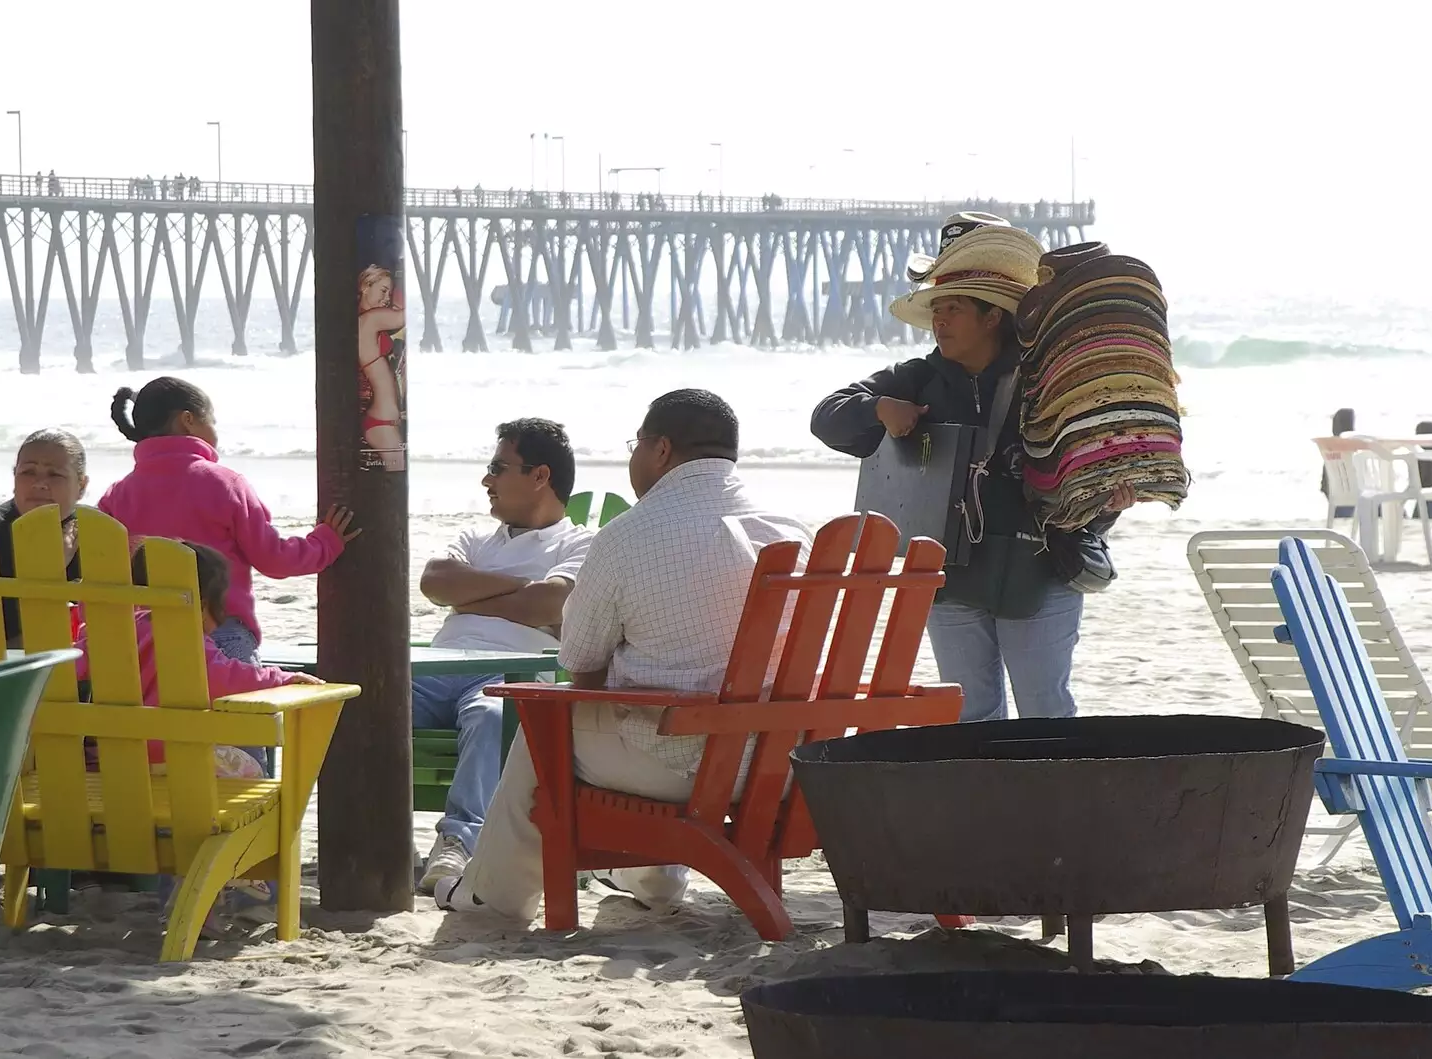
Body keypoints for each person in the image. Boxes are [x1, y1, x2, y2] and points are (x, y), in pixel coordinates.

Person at [435, 389, 812, 918]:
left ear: (659, 450)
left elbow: (580, 661)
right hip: (778, 760)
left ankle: (494, 897)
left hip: (674, 761)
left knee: (544, 724)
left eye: (636, 444)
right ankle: (648, 873)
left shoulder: (627, 537)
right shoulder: (793, 531)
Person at [810, 213, 1131, 723]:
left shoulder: (1048, 378)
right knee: (970, 716)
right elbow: (826, 418)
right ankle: (991, 805)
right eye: (936, 308)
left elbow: (1098, 457)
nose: (939, 321)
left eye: (953, 309)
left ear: (993, 316)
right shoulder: (917, 377)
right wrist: (877, 410)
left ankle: (1055, 803)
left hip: (1041, 571)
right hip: (951, 577)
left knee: (1046, 714)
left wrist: (1109, 501)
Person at [415, 418, 594, 893]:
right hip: (437, 667)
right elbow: (435, 582)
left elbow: (551, 604)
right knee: (359, 702)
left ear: (540, 475)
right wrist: (526, 589)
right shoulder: (476, 539)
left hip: (511, 675)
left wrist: (470, 595)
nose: (486, 480)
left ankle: (458, 842)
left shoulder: (581, 543)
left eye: (498, 467)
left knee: (493, 715)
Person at [97, 377, 358, 671]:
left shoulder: (117, 495)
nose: (215, 431)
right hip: (219, 630)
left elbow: (102, 566)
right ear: (188, 421)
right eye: (213, 421)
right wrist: (325, 543)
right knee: (240, 710)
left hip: (143, 638)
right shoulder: (225, 483)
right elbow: (274, 559)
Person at [72, 539, 325, 779]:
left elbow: (73, 666)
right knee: (251, 769)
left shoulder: (112, 635)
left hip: (117, 763)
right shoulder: (190, 642)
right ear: (203, 606)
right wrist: (282, 678)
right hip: (175, 761)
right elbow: (230, 678)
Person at [0, 428, 90, 651]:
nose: (39, 483)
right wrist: (48, 570)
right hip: (3, 673)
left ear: (82, 486)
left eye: (55, 474)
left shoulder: (96, 534)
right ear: (14, 478)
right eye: (28, 472)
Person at [357, 265, 406, 471]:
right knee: (395, 477)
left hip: (384, 419)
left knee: (394, 476)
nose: (387, 297)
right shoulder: (369, 320)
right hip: (381, 422)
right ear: (366, 287)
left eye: (390, 291)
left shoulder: (364, 320)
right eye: (383, 291)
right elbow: (402, 316)